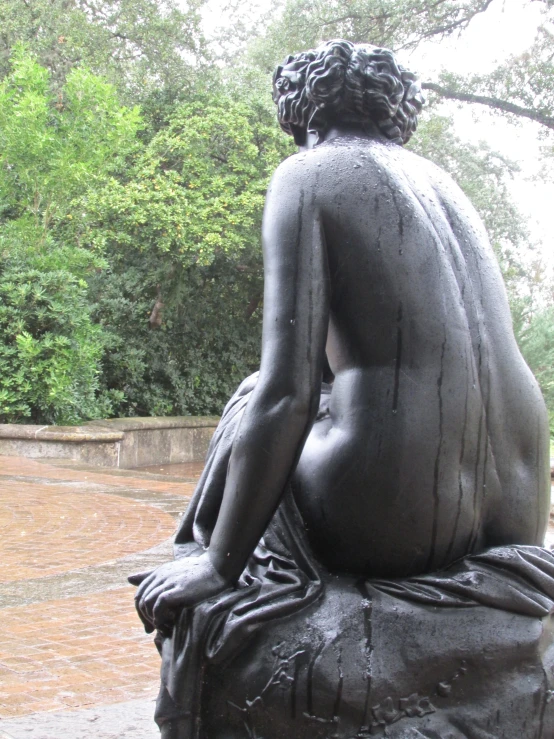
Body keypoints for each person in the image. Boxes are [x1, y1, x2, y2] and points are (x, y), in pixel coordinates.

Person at [130, 39, 550, 638]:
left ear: (303, 112)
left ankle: (204, 556)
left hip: (396, 512)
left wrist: (222, 566)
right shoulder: (447, 188)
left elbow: (286, 392)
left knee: (251, 399)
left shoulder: (308, 174)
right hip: (519, 500)